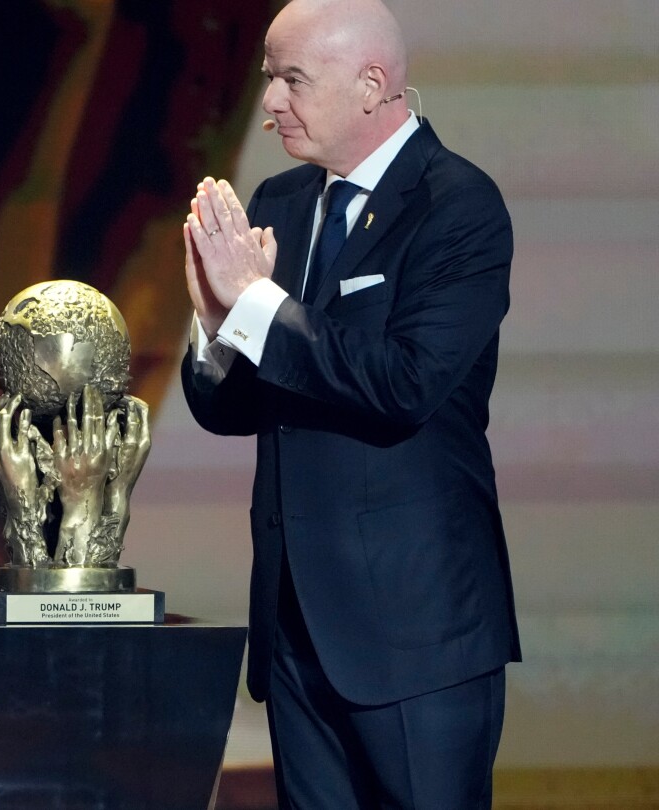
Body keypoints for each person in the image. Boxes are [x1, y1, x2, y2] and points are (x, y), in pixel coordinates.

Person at [179, 0, 520, 806]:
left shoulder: (457, 206)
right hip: (296, 630)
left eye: (292, 79)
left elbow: (404, 385)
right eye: (268, 78)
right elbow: (233, 410)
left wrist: (257, 305)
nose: (270, 102)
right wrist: (216, 325)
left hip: (416, 634)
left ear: (371, 85)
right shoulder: (281, 203)